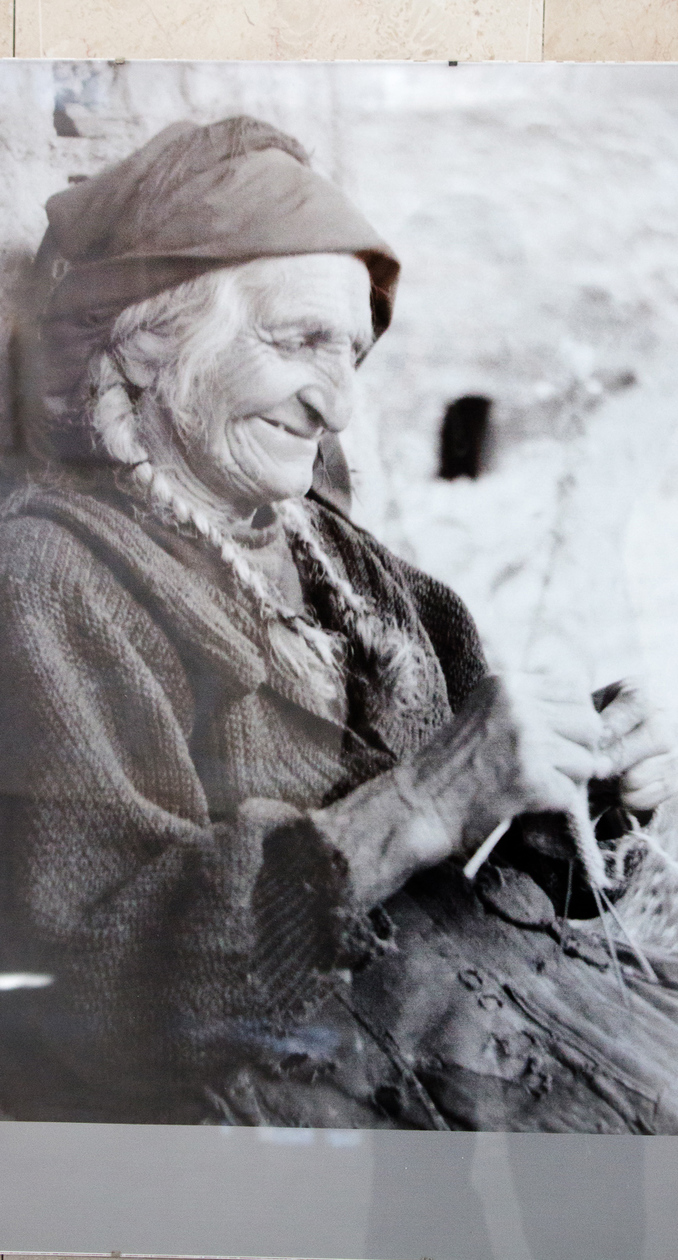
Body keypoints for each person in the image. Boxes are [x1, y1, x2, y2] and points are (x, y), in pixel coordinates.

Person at [1, 114, 677, 1128]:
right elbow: (82, 998)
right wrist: (416, 803)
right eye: (301, 341)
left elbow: (475, 854)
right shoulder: (50, 580)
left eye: (354, 353)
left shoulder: (347, 563)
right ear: (153, 341)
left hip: (484, 1044)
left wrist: (578, 789)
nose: (340, 406)